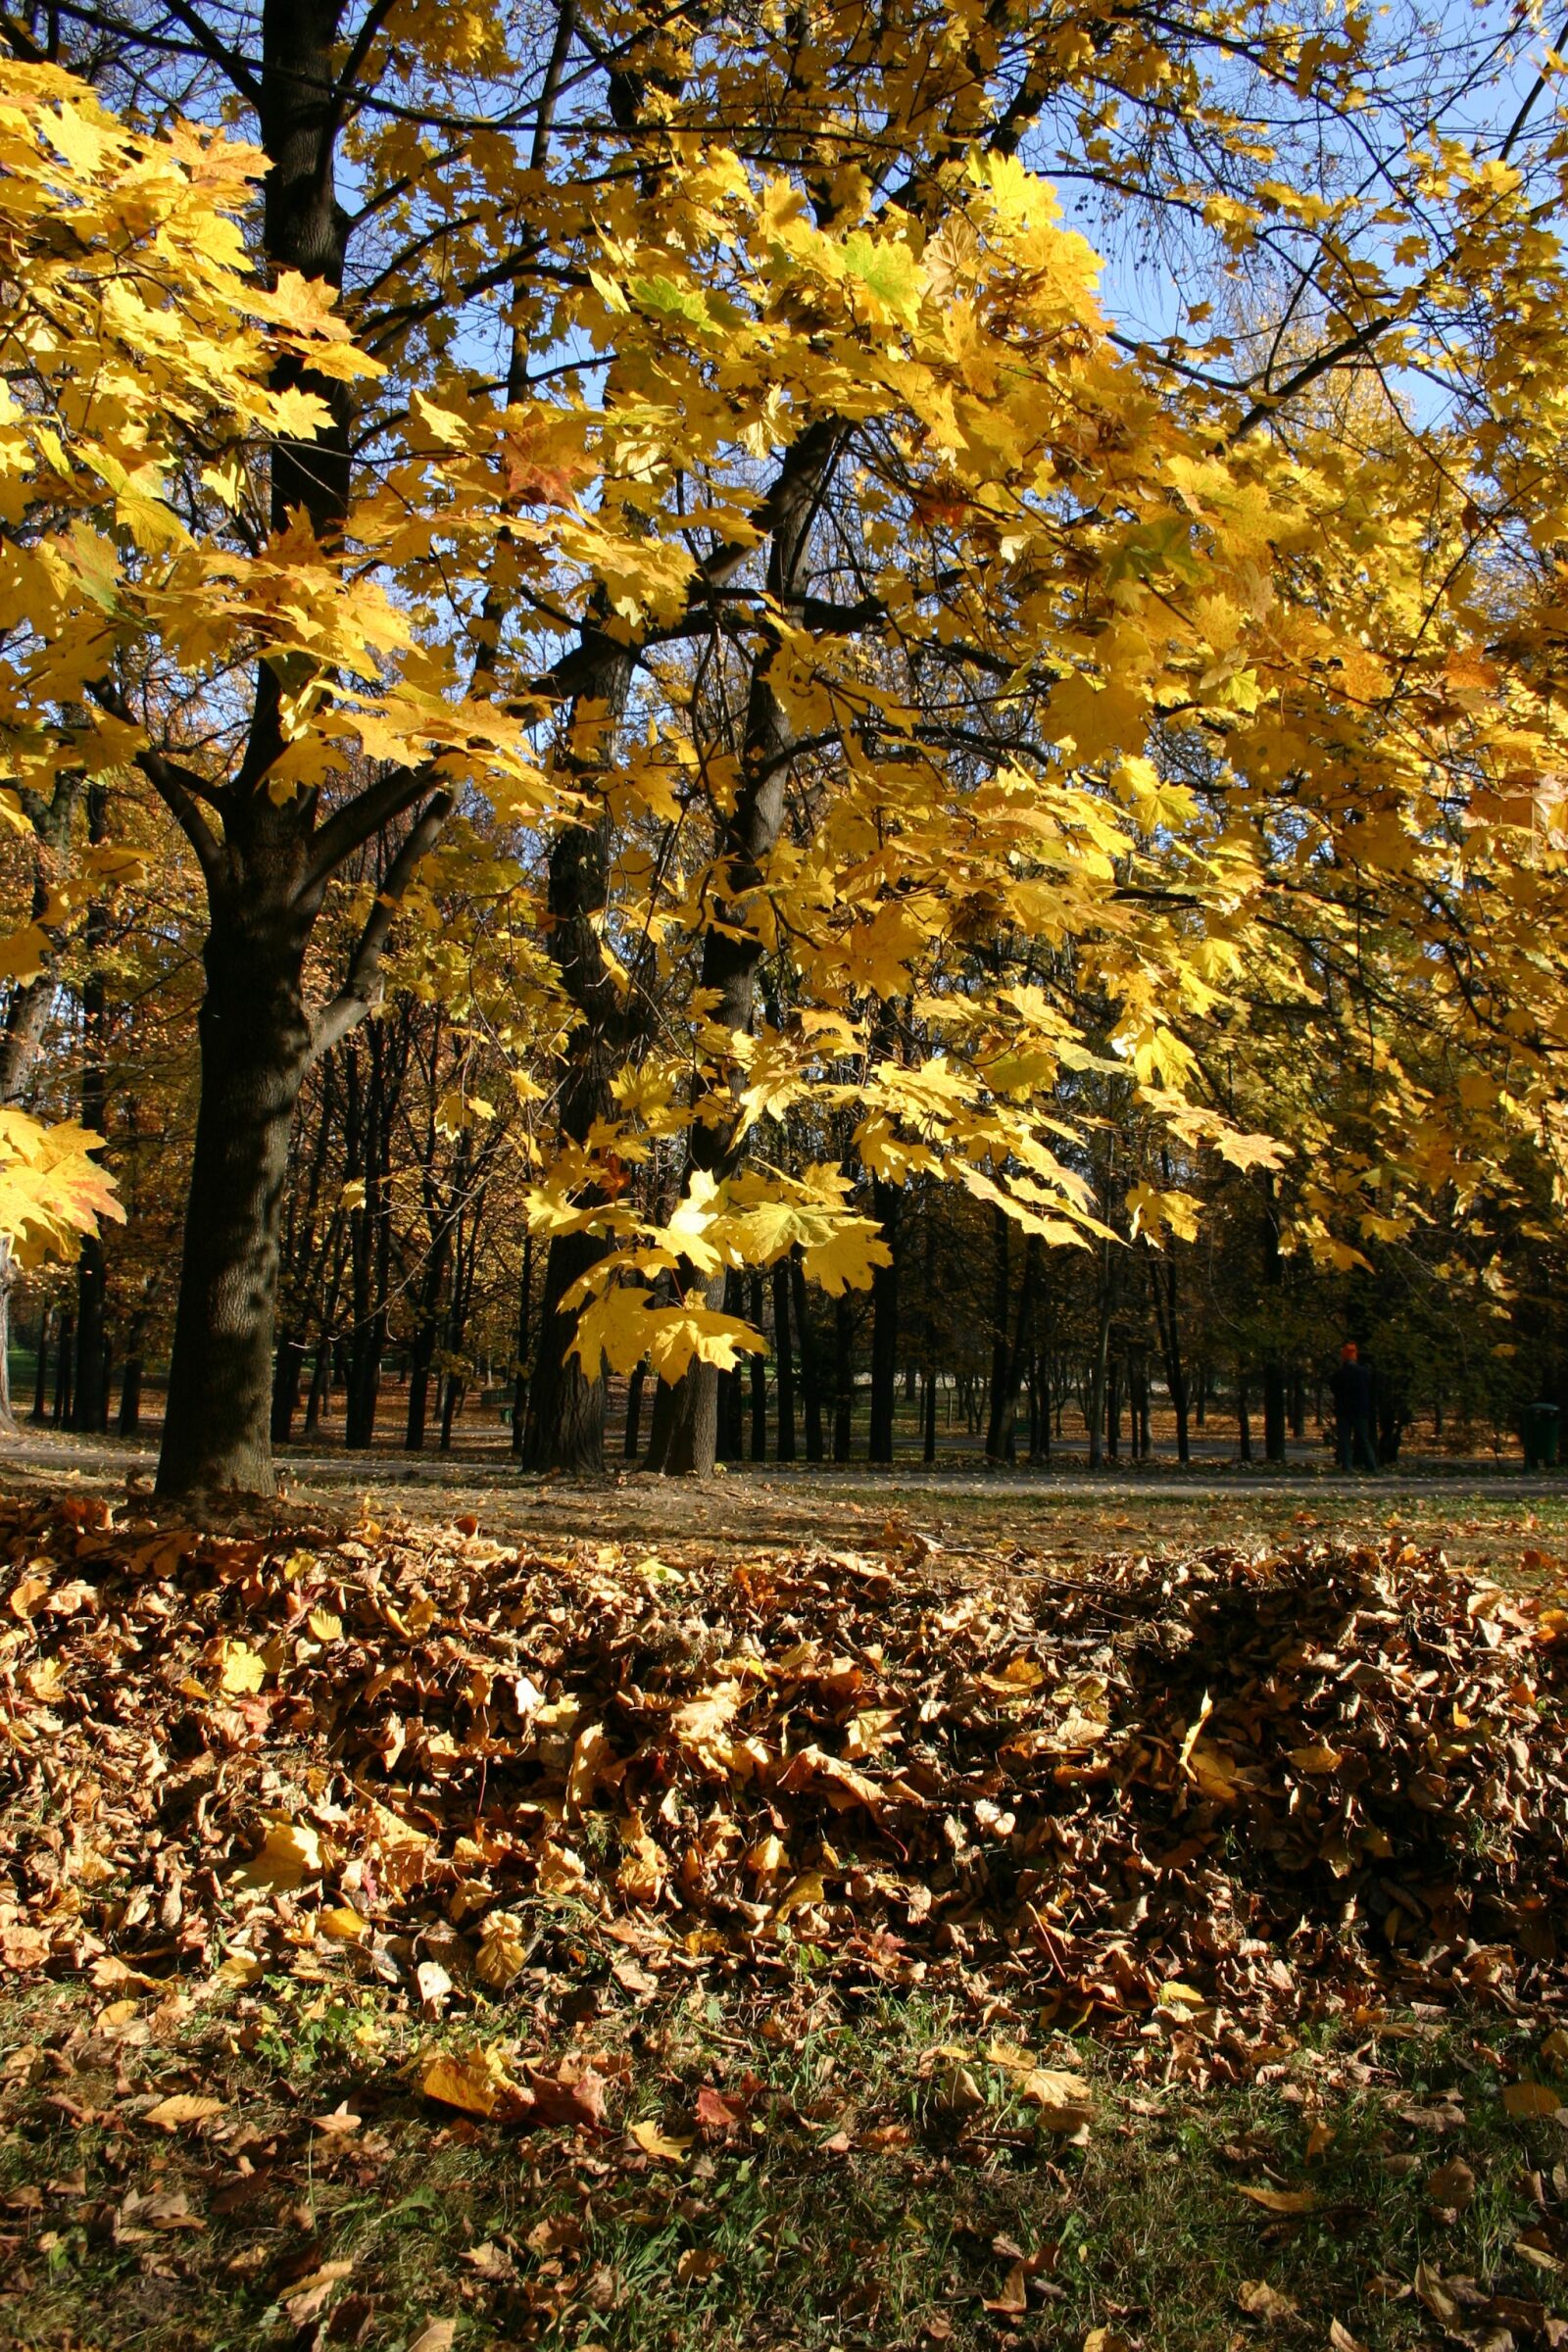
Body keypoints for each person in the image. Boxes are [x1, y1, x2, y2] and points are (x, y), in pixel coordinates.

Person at [1329, 1342, 1378, 1471]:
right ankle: (1371, 1466)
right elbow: (1371, 1388)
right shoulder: (1364, 1373)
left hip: (1343, 1410)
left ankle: (1347, 1466)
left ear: (1343, 1358)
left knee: (1344, 1440)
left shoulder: (1339, 1374)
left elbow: (1333, 1388)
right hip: (1361, 1411)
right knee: (1363, 1439)